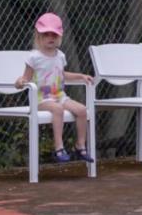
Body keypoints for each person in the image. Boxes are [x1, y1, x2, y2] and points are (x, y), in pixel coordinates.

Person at [15, 12, 94, 163]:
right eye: (46, 34)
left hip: (59, 96)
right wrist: (19, 82)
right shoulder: (34, 57)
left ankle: (80, 145)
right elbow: (26, 78)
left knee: (82, 110)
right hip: (41, 99)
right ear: (39, 36)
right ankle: (58, 147)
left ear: (59, 37)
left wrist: (81, 76)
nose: (50, 38)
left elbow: (62, 74)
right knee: (57, 109)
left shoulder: (60, 55)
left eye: (54, 35)